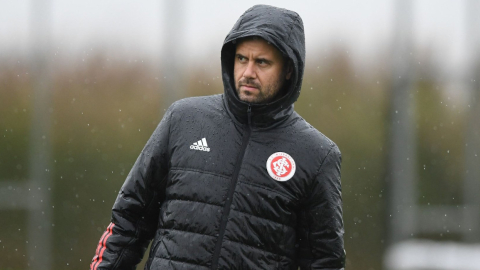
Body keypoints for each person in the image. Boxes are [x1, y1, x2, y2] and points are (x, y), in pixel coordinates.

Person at [90, 4, 345, 270]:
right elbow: (129, 220)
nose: (248, 72)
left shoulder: (317, 155)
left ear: (288, 70)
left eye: (262, 62)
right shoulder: (184, 119)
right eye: (242, 59)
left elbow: (325, 261)